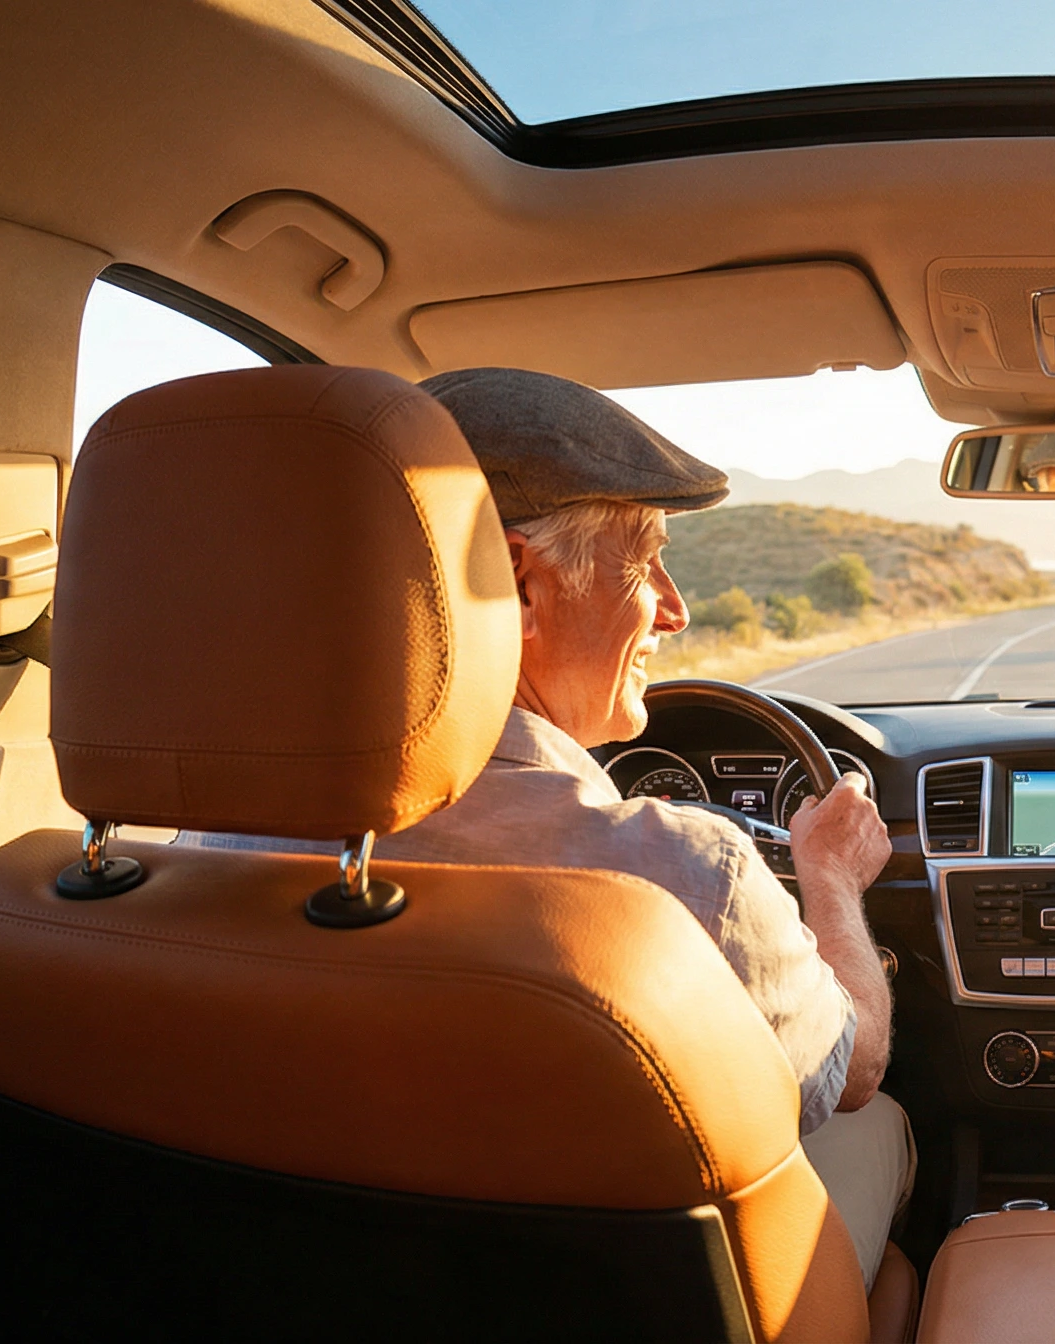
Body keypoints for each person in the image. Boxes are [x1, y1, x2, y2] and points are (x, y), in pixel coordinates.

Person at [181, 368, 914, 1287]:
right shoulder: (688, 875)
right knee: (876, 1124)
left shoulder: (198, 854)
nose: (675, 609)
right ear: (521, 587)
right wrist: (832, 883)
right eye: (646, 560)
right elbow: (854, 1067)